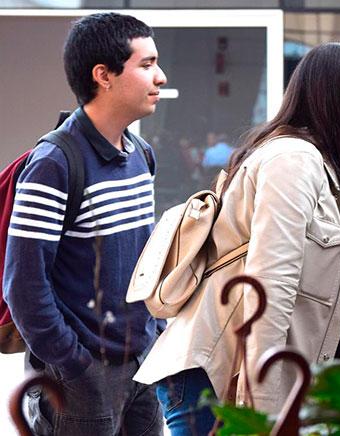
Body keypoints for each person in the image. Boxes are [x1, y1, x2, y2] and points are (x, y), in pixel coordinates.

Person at [133, 42, 340, 435]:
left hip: (236, 376)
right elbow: (269, 289)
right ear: (337, 96)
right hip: (220, 380)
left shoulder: (319, 168)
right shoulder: (293, 161)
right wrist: (265, 411)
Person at [3, 12, 166, 435]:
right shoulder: (55, 163)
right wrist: (74, 364)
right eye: (146, 64)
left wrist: (156, 331)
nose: (160, 76)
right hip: (81, 379)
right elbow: (23, 283)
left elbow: (143, 260)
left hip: (141, 364)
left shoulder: (141, 154)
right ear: (103, 75)